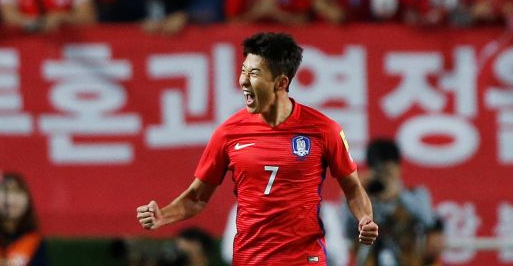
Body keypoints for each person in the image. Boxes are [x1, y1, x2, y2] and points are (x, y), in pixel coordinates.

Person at [136, 32, 379, 264]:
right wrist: (163, 216)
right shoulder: (228, 133)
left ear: (281, 82)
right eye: (243, 71)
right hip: (251, 259)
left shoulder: (324, 130)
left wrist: (365, 218)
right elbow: (197, 198)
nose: (243, 81)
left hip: (304, 259)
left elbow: (353, 190)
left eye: (254, 73)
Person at [349, 139, 442, 266]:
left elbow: (428, 219)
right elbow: (346, 229)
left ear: (399, 168)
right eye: (380, 172)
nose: (385, 177)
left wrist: (400, 194)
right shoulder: (364, 197)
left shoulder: (416, 194)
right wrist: (355, 192)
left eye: (388, 171)